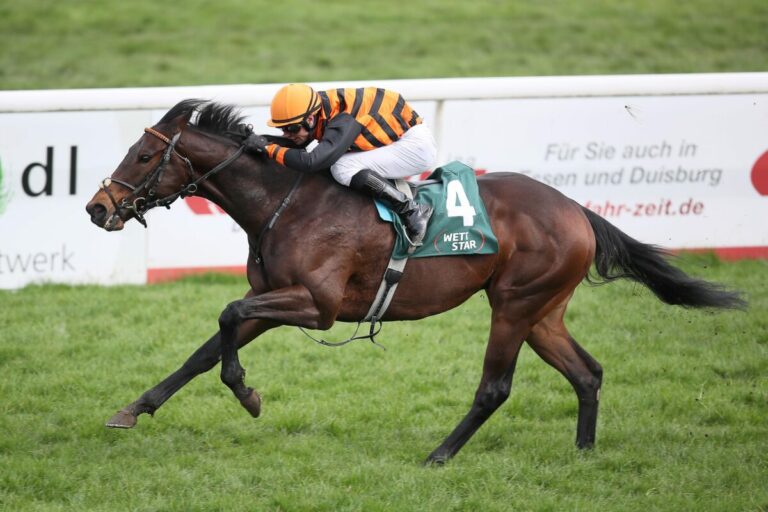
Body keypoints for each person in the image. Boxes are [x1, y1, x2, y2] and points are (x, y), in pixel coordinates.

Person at [243, 83, 437, 246]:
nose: (286, 133)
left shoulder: (344, 119)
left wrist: (268, 149)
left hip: (415, 148)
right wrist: (263, 143)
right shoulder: (316, 108)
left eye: (291, 128)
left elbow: (313, 161)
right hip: (396, 136)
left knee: (341, 167)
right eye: (281, 128)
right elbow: (300, 146)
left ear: (310, 119)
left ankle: (411, 210)